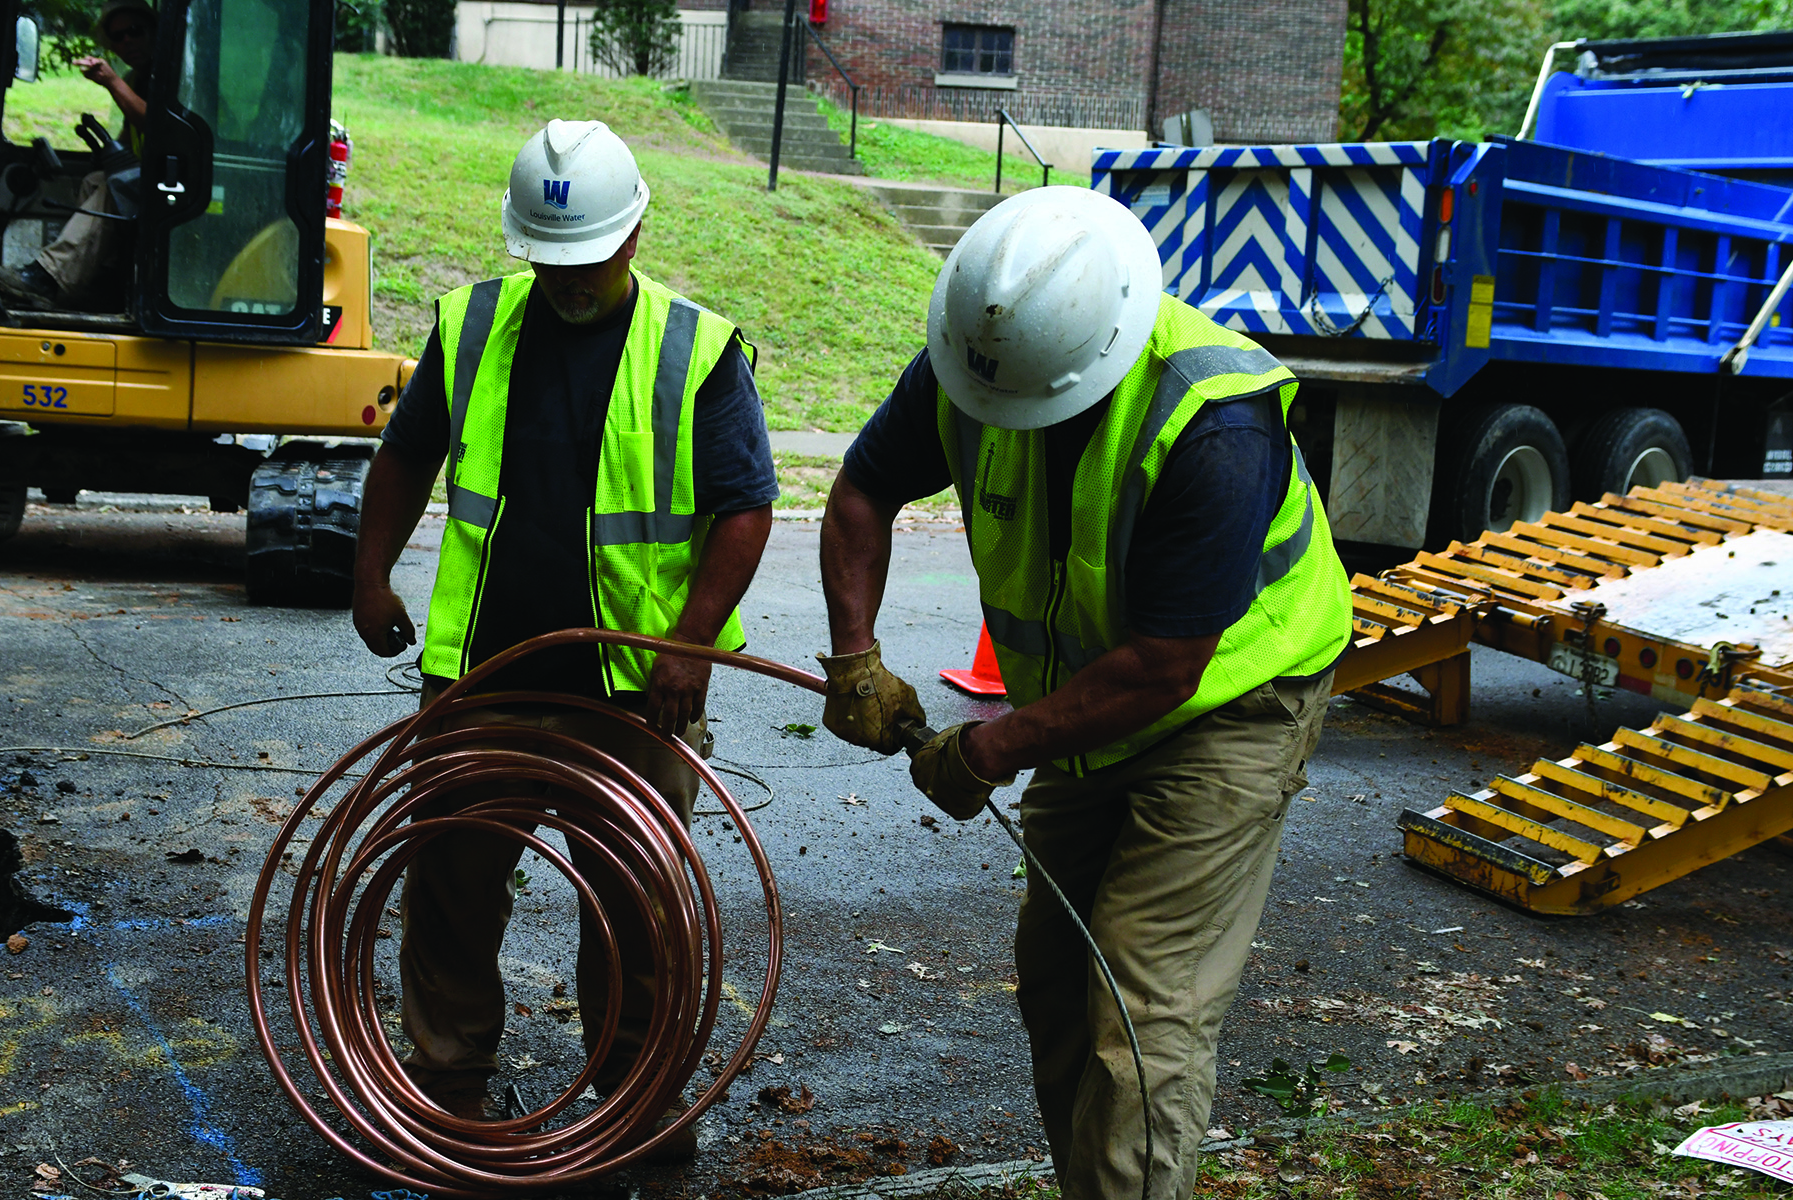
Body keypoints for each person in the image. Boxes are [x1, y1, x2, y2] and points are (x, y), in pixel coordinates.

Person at [817, 186, 1352, 1199]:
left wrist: (987, 748)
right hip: (1088, 713)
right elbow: (861, 491)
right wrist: (854, 659)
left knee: (1140, 1013)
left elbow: (1163, 668)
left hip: (1230, 708)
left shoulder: (1213, 425)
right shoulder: (979, 359)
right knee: (1059, 982)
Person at [350, 119, 777, 1143]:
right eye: (548, 258)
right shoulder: (473, 324)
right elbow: (407, 456)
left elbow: (746, 505)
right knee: (450, 875)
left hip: (633, 692)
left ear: (632, 235)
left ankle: (640, 1096)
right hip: (485, 674)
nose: (566, 276)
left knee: (639, 904)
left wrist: (688, 646)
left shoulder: (695, 349)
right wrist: (368, 575)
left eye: (585, 255)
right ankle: (447, 1084)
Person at [0, 0, 154, 310]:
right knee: (98, 180)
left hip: (186, 183)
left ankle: (47, 277)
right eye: (117, 37)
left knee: (115, 188)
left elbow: (159, 125)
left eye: (135, 32)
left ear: (156, 31)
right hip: (154, 181)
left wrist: (112, 81)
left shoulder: (173, 79)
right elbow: (129, 135)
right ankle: (104, 282)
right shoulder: (140, 79)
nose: (126, 42)